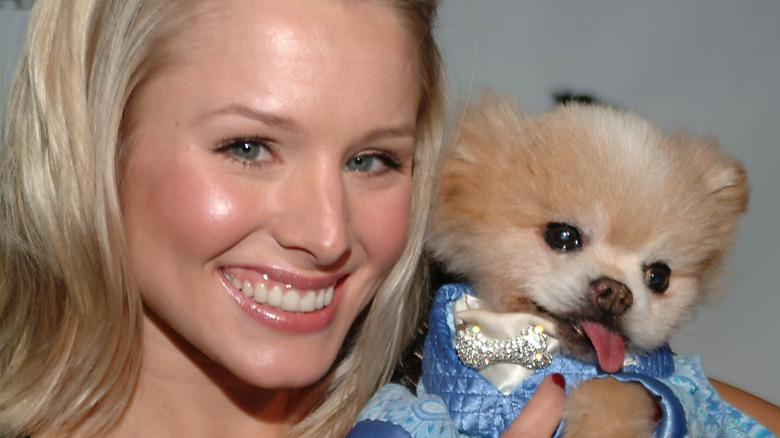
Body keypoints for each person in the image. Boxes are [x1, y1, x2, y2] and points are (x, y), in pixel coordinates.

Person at [0, 0, 566, 437]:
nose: (328, 235)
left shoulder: (495, 382)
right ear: (94, 141)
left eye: (370, 161)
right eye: (248, 148)